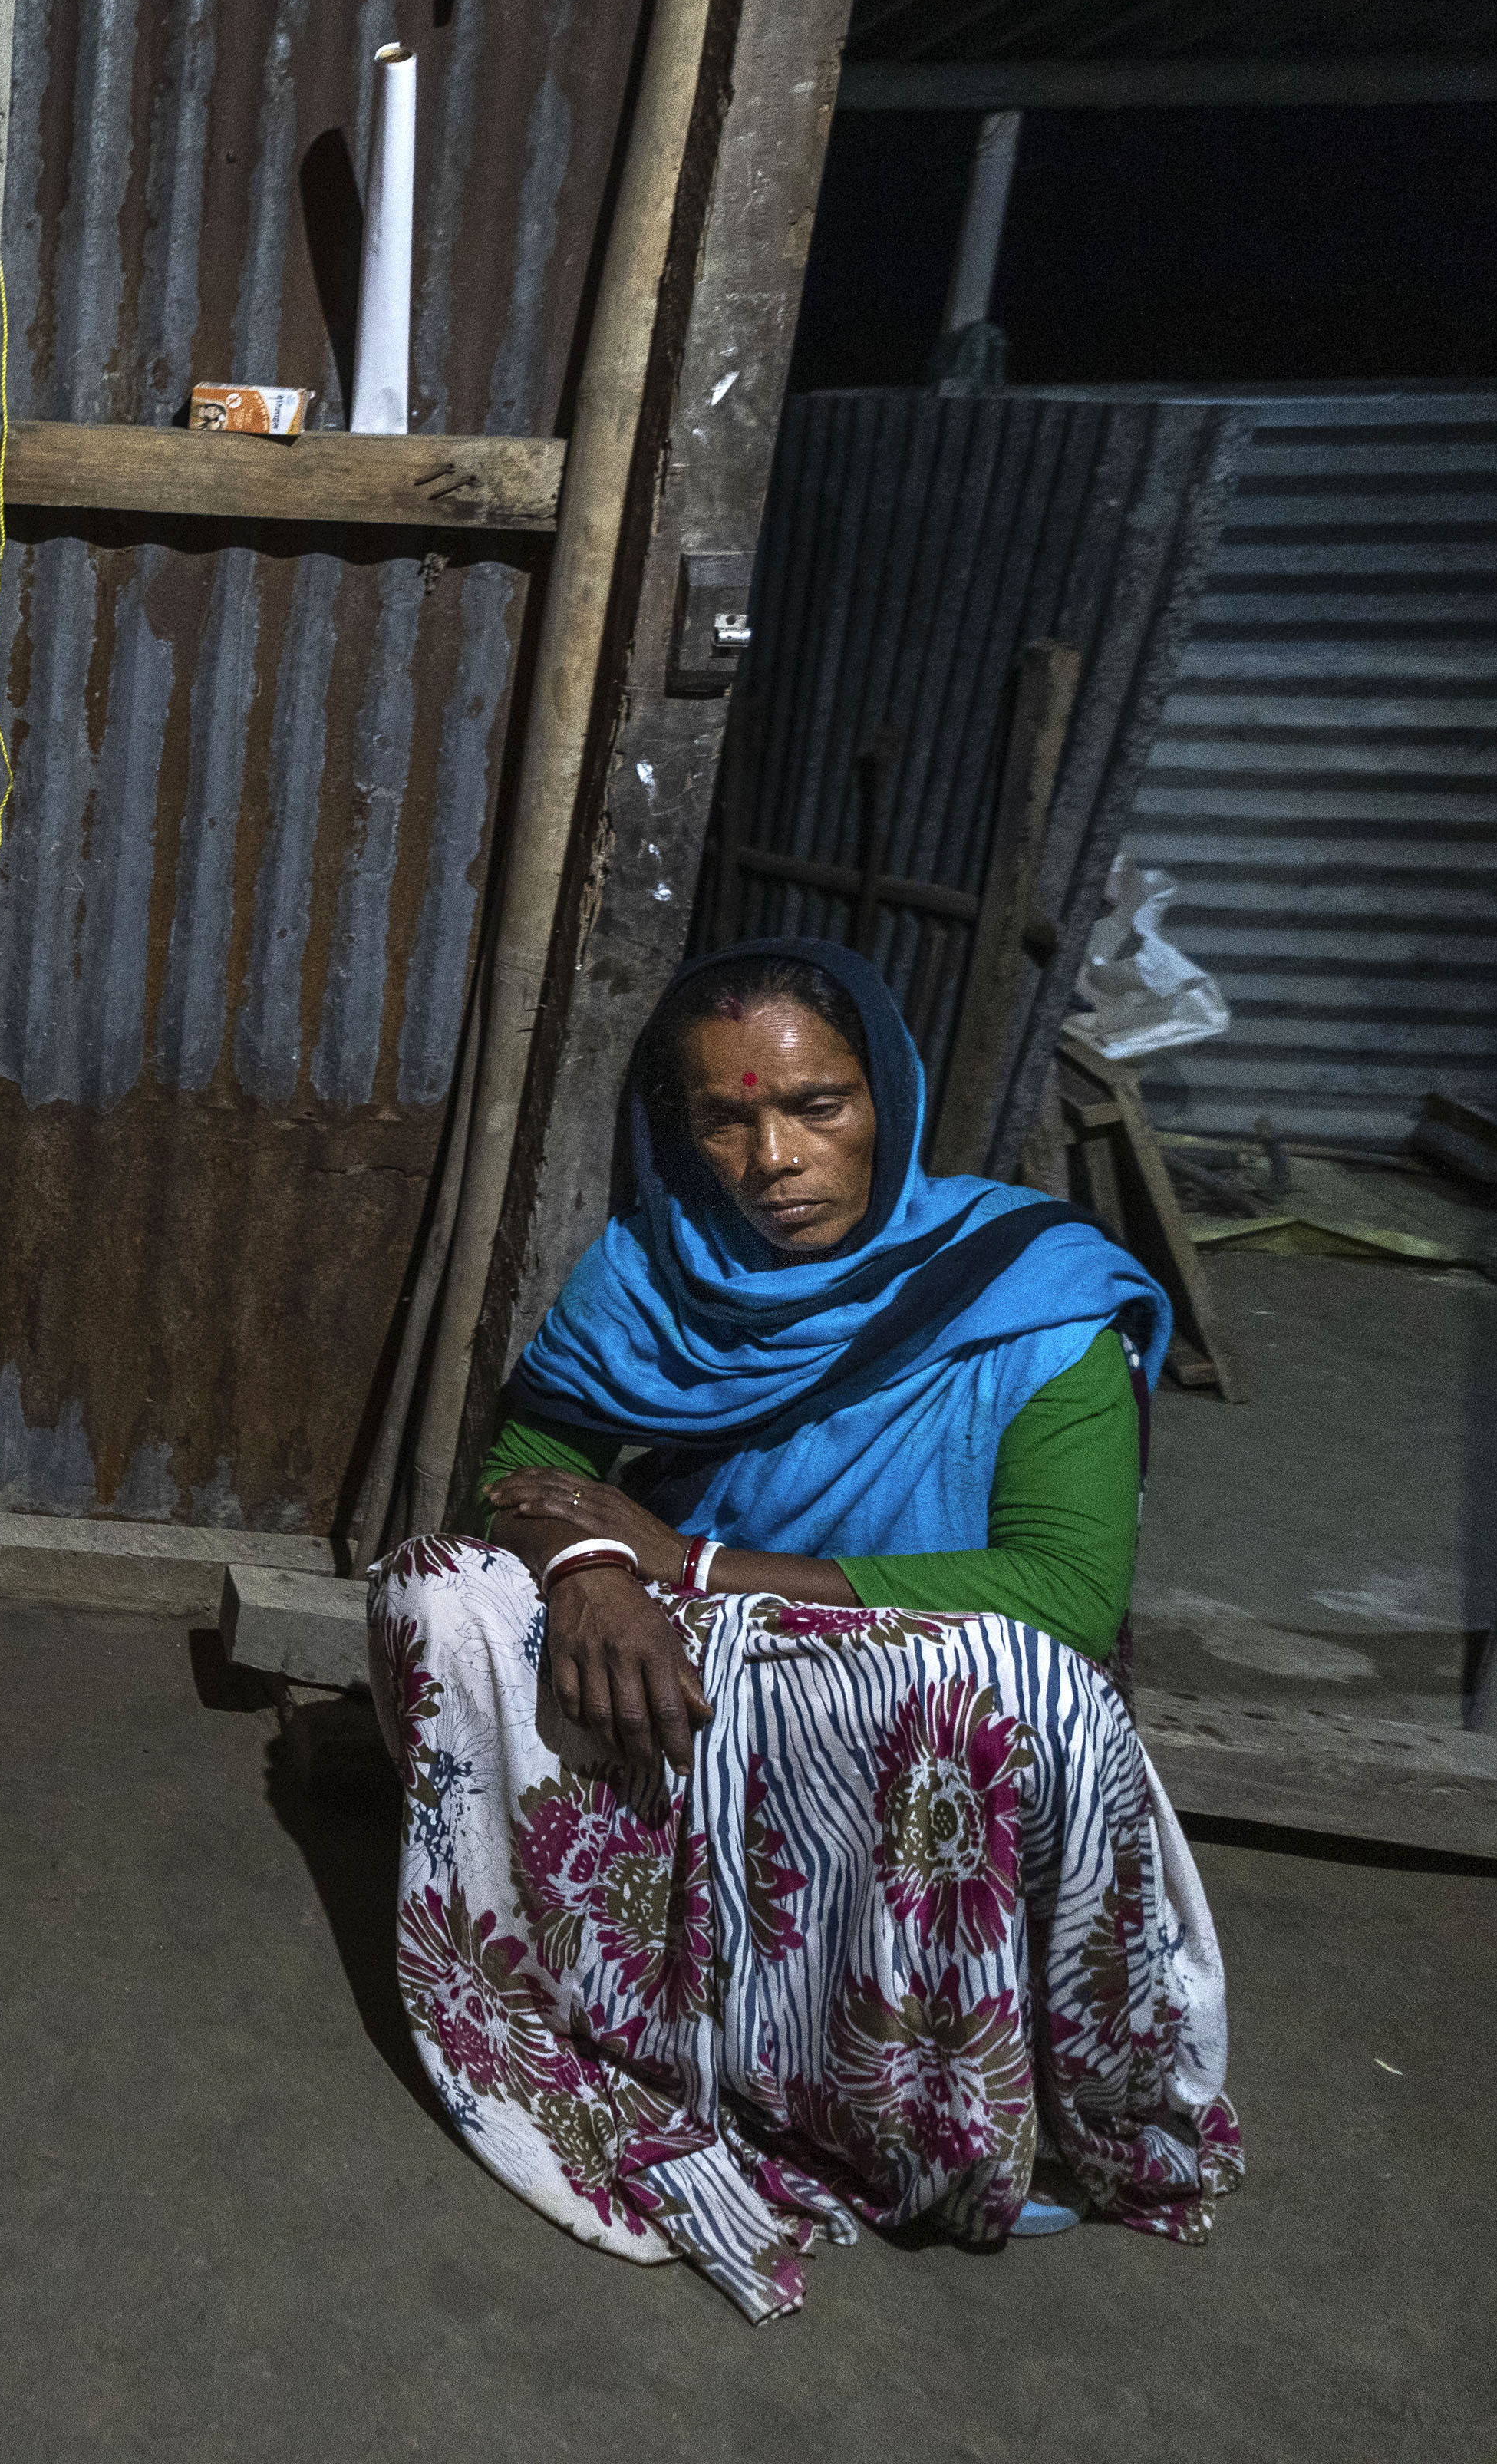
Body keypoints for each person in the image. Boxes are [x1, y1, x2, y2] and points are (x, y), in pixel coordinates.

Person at [367, 935, 1245, 2314]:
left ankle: (883, 2085)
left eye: (817, 1106)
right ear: (685, 1132)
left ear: (885, 1097)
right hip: (695, 1685)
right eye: (727, 1118)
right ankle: (596, 2016)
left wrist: (699, 1565)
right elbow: (521, 1474)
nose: (775, 1158)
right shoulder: (653, 1276)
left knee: (1006, 1679)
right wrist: (597, 1562)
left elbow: (1064, 1597)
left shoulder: (1035, 1293)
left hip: (917, 1715)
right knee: (439, 1586)